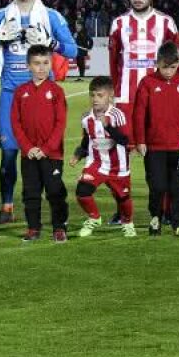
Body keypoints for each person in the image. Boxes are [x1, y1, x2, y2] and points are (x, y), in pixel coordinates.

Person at [0, 0, 78, 225]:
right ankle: (7, 208)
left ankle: (52, 210)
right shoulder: (1, 15)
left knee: (47, 153)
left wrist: (50, 42)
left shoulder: (51, 16)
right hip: (12, 94)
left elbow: (72, 50)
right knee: (9, 154)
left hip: (44, 94)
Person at [133, 42, 179, 238]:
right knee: (157, 186)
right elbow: (139, 114)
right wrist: (140, 140)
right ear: (157, 63)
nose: (168, 71)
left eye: (173, 67)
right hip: (154, 147)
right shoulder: (147, 83)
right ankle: (155, 216)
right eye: (165, 67)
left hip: (176, 147)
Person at [10, 45, 70, 242]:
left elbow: (60, 123)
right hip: (29, 155)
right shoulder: (21, 92)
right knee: (31, 193)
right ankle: (33, 228)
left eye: (45, 63)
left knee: (55, 191)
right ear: (28, 66)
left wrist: (45, 149)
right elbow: (15, 122)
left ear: (51, 64)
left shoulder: (56, 91)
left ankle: (59, 227)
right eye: (37, 63)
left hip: (51, 155)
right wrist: (28, 148)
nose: (41, 68)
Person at [108, 0, 179, 121]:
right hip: (126, 95)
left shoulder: (166, 22)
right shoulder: (119, 23)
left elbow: (177, 61)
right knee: (128, 142)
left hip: (158, 93)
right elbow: (113, 61)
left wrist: (172, 87)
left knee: (157, 141)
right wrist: (115, 91)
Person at [73, 77, 137, 238]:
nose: (95, 99)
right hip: (96, 163)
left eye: (100, 95)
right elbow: (87, 139)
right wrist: (79, 154)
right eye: (92, 95)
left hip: (118, 166)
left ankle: (127, 222)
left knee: (123, 198)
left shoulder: (117, 115)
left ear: (110, 96)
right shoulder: (86, 118)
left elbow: (125, 140)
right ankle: (94, 217)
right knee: (82, 191)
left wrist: (107, 125)